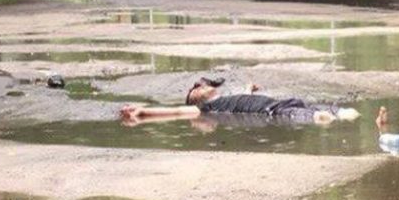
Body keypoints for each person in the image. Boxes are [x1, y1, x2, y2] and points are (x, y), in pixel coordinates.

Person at [120, 77, 361, 126]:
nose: (198, 87)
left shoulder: (223, 97)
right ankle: (321, 118)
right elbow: (173, 113)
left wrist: (249, 88)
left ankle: (340, 113)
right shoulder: (205, 109)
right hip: (271, 112)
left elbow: (243, 94)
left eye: (201, 85)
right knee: (310, 115)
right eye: (193, 90)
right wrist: (143, 112)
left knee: (317, 107)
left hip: (278, 103)